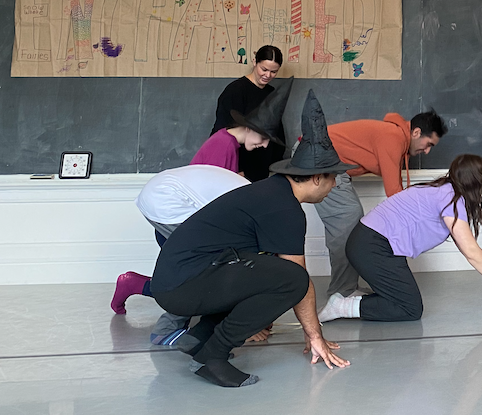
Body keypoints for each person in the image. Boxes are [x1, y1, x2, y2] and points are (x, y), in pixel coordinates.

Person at [150, 90, 355, 387]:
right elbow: (298, 281)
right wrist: (315, 335)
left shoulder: (273, 192)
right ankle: (213, 356)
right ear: (316, 178)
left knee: (267, 271)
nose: (335, 184)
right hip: (180, 286)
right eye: (334, 177)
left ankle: (199, 338)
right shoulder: (285, 210)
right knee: (293, 279)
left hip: (176, 280)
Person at [316, 154, 482, 324]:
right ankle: (341, 306)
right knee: (410, 308)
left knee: (405, 302)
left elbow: (465, 245)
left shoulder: (445, 191)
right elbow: (470, 250)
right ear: (474, 180)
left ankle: (350, 301)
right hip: (372, 246)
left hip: (371, 244)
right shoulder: (449, 198)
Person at [317, 110, 448, 298]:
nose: (427, 151)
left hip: (331, 165)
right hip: (318, 157)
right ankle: (342, 292)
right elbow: (394, 193)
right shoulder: (392, 136)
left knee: (350, 220)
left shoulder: (397, 139)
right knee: (347, 219)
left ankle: (345, 288)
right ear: (416, 133)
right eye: (428, 144)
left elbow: (397, 193)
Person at [111, 166, 248, 345]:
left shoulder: (258, 196)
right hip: (171, 204)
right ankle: (166, 330)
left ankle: (136, 284)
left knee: (202, 270)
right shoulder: (259, 212)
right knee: (205, 270)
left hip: (161, 197)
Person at [210, 45, 287, 181]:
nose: (268, 75)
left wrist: (274, 164)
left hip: (262, 170)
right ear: (254, 62)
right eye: (264, 69)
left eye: (273, 72)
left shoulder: (271, 93)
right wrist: (234, 169)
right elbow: (224, 132)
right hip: (238, 171)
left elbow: (276, 130)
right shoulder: (235, 91)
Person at [192, 76, 292, 173]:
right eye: (263, 137)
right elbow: (212, 186)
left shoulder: (231, 142)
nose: (265, 145)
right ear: (248, 128)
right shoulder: (223, 144)